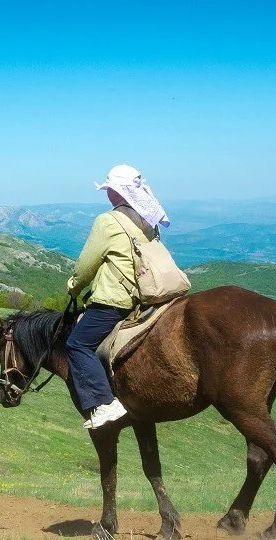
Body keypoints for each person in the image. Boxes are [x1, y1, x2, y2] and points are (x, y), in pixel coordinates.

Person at [65, 164, 171, 430]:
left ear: (117, 193)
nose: (107, 194)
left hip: (115, 301)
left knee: (77, 344)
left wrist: (74, 286)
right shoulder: (147, 217)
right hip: (147, 297)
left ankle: (104, 402)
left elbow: (87, 264)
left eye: (109, 189)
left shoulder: (108, 221)